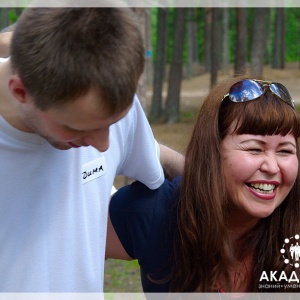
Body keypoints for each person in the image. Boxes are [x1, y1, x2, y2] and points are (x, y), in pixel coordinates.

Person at [0, 7, 184, 292]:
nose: (104, 145)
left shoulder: (100, 87)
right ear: (21, 92)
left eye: (115, 122)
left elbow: (157, 155)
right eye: (78, 128)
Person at [107, 76, 300, 293]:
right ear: (212, 152)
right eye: (254, 149)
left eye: (285, 151)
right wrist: (165, 158)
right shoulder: (158, 211)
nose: (272, 167)